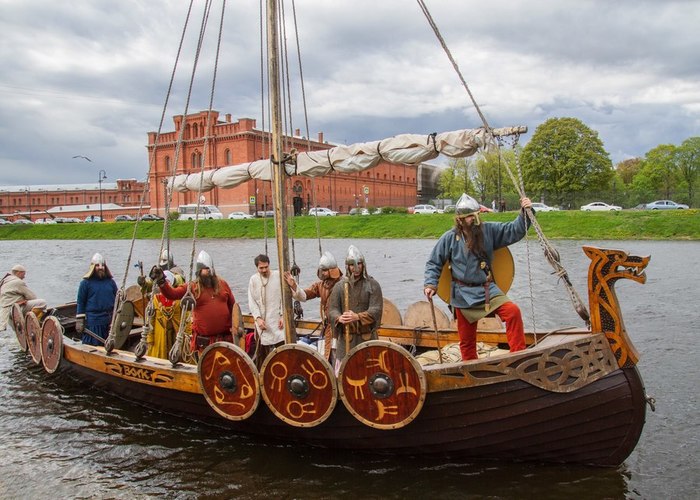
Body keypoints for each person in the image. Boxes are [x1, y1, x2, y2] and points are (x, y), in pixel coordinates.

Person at [423, 193, 532, 361]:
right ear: (459, 219)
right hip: (462, 293)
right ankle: (470, 370)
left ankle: (518, 356)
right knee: (466, 341)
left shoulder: (489, 230)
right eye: (470, 217)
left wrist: (525, 212)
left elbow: (514, 231)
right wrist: (430, 284)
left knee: (513, 312)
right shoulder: (449, 238)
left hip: (487, 289)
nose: (474, 219)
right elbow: (434, 262)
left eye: (476, 215)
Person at [153, 250, 234, 354]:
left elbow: (233, 307)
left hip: (225, 340)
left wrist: (236, 327)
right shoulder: (193, 287)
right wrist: (161, 281)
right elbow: (172, 294)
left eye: (210, 268)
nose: (208, 271)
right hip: (205, 344)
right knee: (206, 369)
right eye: (205, 269)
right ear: (199, 271)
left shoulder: (222, 284)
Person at [328, 245, 383, 367]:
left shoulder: (373, 285)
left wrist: (357, 317)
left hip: (367, 339)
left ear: (363, 264)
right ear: (347, 266)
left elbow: (376, 309)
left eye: (359, 263)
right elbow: (332, 309)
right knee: (344, 373)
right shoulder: (339, 286)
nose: (356, 268)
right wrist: (338, 318)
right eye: (352, 265)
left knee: (370, 372)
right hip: (346, 339)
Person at [283, 251, 343, 361]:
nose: (323, 273)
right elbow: (304, 295)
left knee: (339, 355)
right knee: (328, 355)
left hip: (341, 327)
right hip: (328, 327)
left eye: (325, 270)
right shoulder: (320, 285)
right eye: (322, 270)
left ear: (332, 271)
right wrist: (294, 285)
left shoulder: (343, 284)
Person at [248, 254, 285, 365]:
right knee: (262, 355)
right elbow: (252, 302)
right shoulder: (253, 280)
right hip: (262, 324)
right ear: (257, 268)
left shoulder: (278, 276)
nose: (264, 270)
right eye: (261, 268)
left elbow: (284, 298)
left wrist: (283, 316)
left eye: (266, 267)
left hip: (278, 321)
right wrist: (258, 318)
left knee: (282, 351)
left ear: (269, 265)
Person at [76, 253, 118, 345]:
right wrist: (80, 320)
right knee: (94, 347)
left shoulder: (111, 282)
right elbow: (81, 302)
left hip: (109, 321)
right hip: (93, 322)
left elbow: (117, 300)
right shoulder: (85, 283)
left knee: (109, 346)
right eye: (97, 265)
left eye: (102, 265)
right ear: (92, 267)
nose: (100, 267)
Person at [0, 264, 47, 331]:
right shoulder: (18, 282)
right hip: (15, 310)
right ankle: (33, 323)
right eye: (23, 274)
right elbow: (32, 297)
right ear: (19, 272)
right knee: (42, 302)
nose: (24, 277)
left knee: (20, 332)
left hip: (6, 312)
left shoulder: (4, 282)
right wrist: (23, 300)